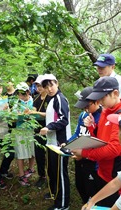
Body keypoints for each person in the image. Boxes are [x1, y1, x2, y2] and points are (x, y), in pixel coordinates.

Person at [72, 76, 121, 207]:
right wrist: (93, 127)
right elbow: (101, 138)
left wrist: (85, 153)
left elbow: (114, 149)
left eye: (102, 97)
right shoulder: (106, 111)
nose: (99, 101)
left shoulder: (120, 116)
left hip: (114, 177)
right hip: (102, 172)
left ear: (115, 93)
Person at [39, 74, 71, 210]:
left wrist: (49, 127)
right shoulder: (51, 99)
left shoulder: (60, 98)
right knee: (52, 171)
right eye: (46, 86)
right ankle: (55, 193)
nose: (49, 88)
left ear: (57, 83)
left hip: (61, 143)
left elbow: (64, 120)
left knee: (60, 174)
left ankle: (63, 204)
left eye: (51, 85)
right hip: (52, 142)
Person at [67, 87, 102, 204]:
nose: (85, 110)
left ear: (97, 101)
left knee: (91, 189)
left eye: (87, 106)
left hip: (92, 161)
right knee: (80, 185)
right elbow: (78, 133)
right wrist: (68, 144)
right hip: (79, 158)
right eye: (83, 107)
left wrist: (84, 155)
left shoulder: (101, 118)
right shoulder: (83, 115)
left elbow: (99, 143)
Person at [12, 82, 36, 186]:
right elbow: (13, 117)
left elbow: (38, 114)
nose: (20, 96)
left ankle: (31, 168)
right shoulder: (17, 103)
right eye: (18, 93)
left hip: (32, 129)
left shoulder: (34, 101)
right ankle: (21, 175)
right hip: (20, 130)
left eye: (22, 93)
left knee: (32, 150)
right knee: (20, 152)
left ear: (27, 92)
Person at [31, 75, 52, 188]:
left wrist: (37, 113)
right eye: (37, 85)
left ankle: (51, 176)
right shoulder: (36, 98)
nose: (39, 88)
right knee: (39, 154)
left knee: (49, 154)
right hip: (37, 130)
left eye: (40, 85)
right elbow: (34, 110)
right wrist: (30, 112)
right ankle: (41, 176)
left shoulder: (50, 99)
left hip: (48, 130)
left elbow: (50, 114)